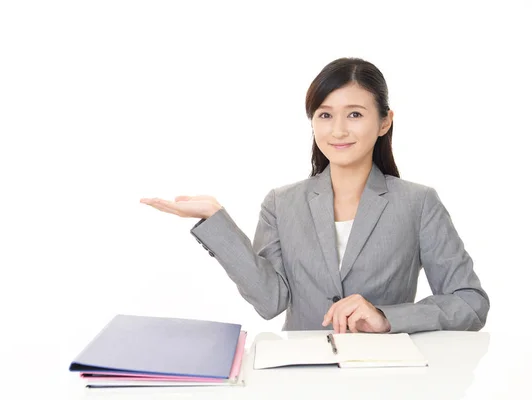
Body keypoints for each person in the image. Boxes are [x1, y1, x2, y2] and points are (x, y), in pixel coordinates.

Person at [140, 57, 489, 334]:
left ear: (384, 122)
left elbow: (471, 303)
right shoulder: (281, 202)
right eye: (325, 115)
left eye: (354, 114)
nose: (338, 130)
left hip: (385, 377)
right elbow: (270, 300)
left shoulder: (418, 203)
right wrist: (215, 220)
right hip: (300, 376)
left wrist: (386, 318)